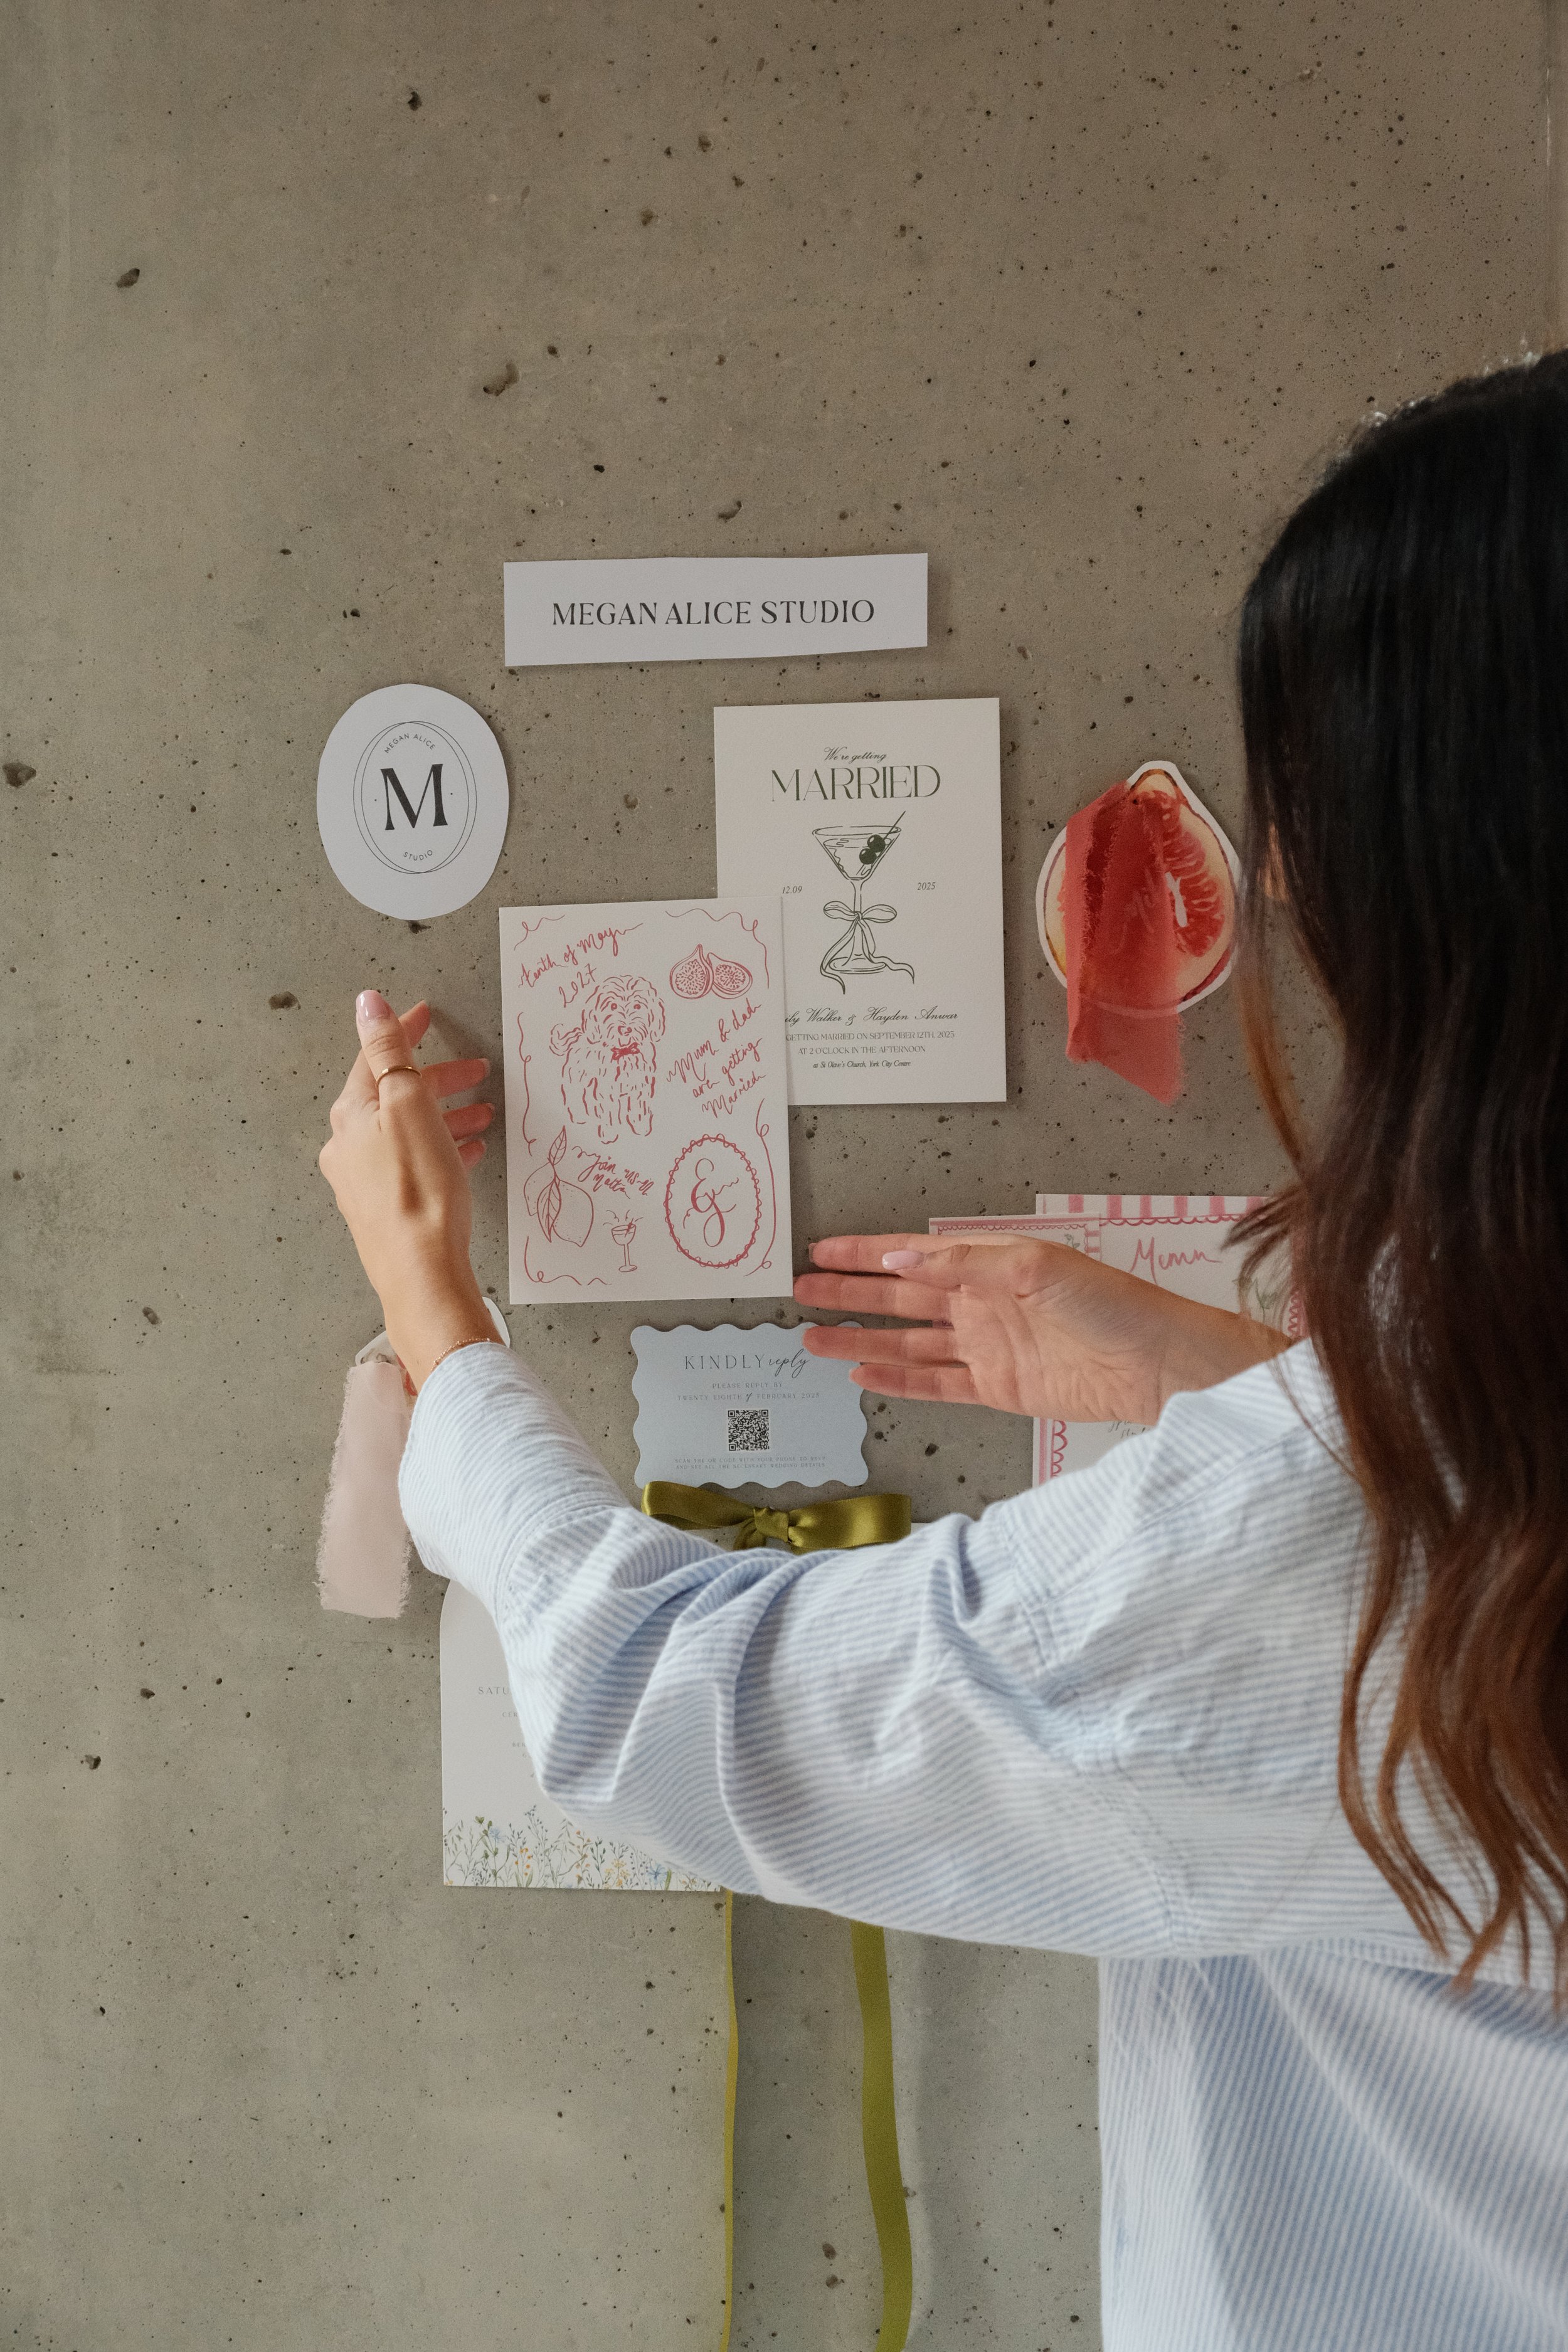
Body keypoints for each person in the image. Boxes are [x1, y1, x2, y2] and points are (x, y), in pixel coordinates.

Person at [317, 356, 1568, 2351]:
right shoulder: (1384, 1487)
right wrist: (1214, 1376)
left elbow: (668, 1700)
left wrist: (430, 1310)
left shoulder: (1312, 1537)